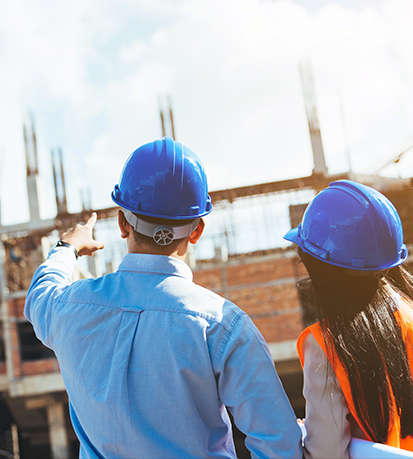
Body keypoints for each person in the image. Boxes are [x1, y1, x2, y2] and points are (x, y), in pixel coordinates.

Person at [25, 136, 302, 459]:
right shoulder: (223, 325)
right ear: (197, 230)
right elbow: (280, 446)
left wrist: (67, 247)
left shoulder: (69, 307)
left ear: (121, 223)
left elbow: (40, 293)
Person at [283, 179, 413, 458]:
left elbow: (327, 453)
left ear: (318, 269)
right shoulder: (409, 315)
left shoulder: (326, 345)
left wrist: (307, 436)